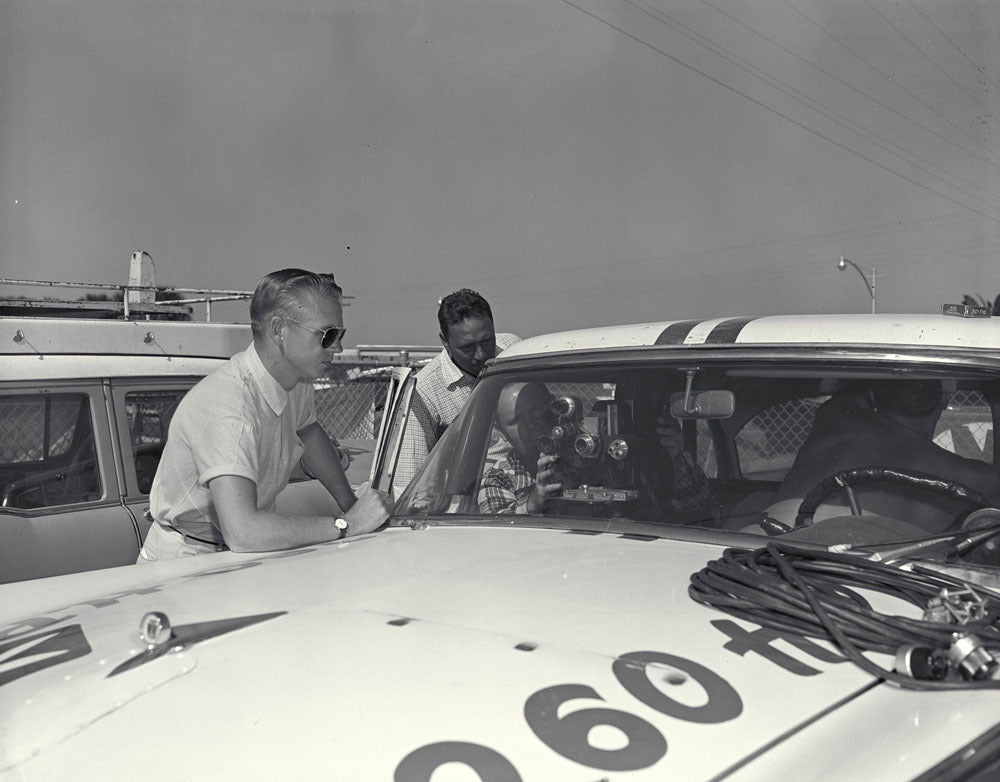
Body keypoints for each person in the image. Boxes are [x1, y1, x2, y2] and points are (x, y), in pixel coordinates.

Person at [138, 268, 391, 562]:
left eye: (340, 334)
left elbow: (309, 432)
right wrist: (348, 525)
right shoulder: (230, 406)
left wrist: (351, 503)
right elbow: (243, 532)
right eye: (327, 335)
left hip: (237, 551)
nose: (338, 347)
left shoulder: (295, 379)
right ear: (278, 330)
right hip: (188, 558)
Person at [765, 379, 1000, 531]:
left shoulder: (833, 417)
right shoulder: (966, 474)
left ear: (875, 396)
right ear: (945, 399)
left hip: (761, 551)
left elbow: (848, 396)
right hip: (873, 574)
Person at [478, 382, 710, 516]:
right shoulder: (499, 478)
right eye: (516, 420)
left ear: (554, 407)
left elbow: (695, 502)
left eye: (538, 411)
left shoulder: (599, 451)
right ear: (500, 429)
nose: (532, 425)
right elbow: (493, 534)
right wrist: (534, 502)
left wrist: (672, 457)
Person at [393, 288, 519, 492]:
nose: (481, 355)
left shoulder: (514, 350)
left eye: (487, 341)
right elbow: (410, 483)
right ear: (445, 342)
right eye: (467, 348)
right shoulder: (423, 393)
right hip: (469, 497)